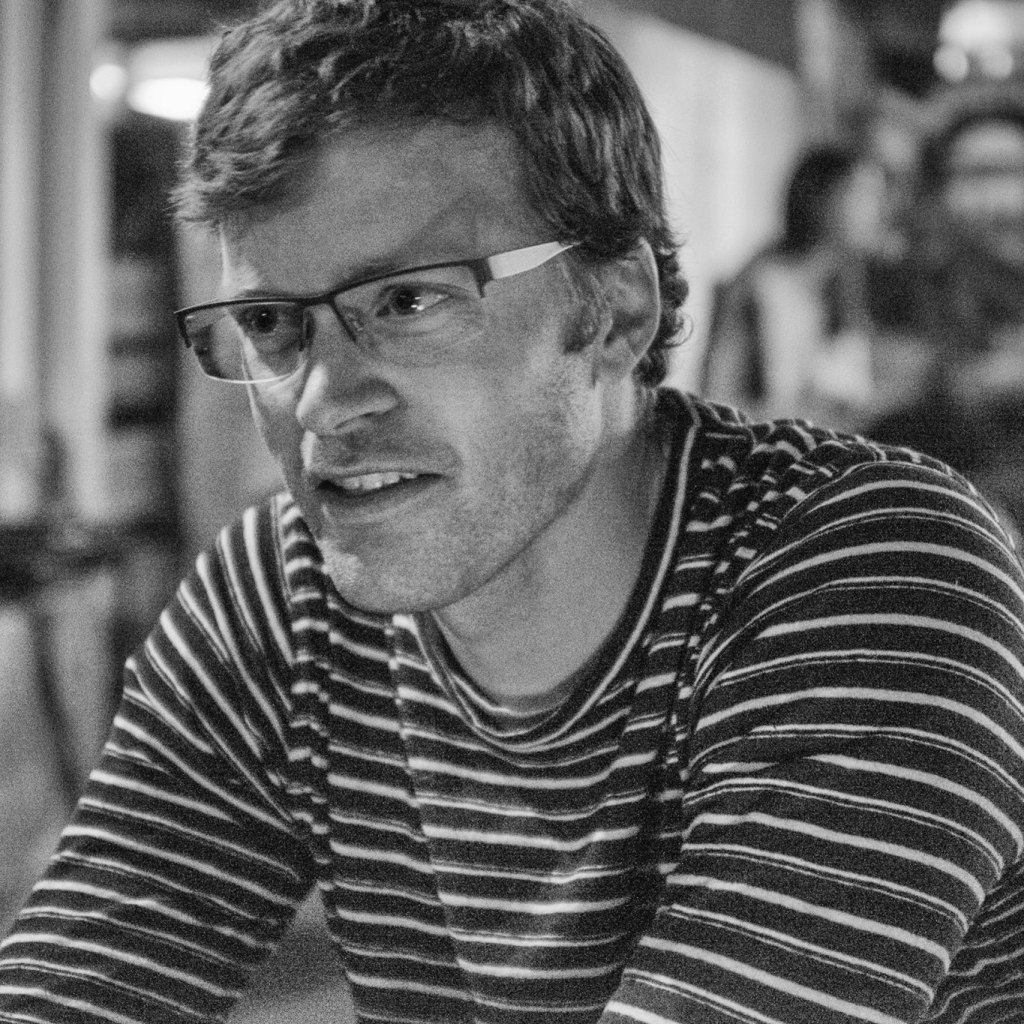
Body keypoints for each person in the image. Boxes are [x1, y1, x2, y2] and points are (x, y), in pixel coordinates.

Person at [2, 2, 1024, 1022]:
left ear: (615, 309)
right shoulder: (285, 597)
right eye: (271, 323)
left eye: (409, 301)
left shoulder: (878, 577)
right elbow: (76, 981)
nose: (321, 401)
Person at [868, 91, 1024, 532]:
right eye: (975, 175)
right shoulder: (904, 286)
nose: (1000, 196)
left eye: (1013, 171)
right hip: (953, 521)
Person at [702, 144, 919, 434]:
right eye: (865, 194)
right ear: (821, 201)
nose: (881, 210)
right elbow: (718, 406)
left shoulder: (847, 284)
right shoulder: (758, 286)